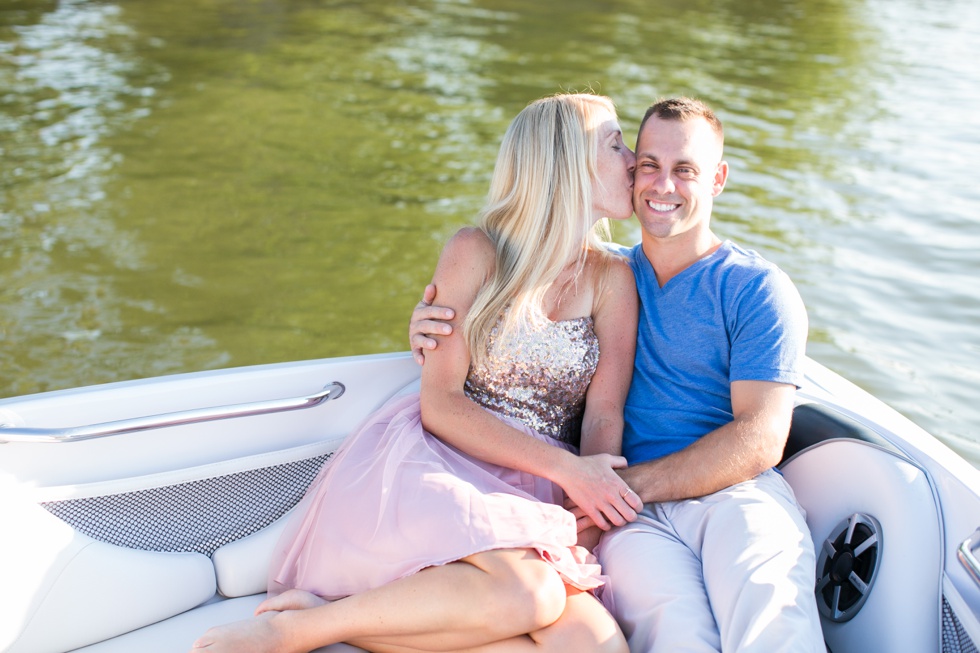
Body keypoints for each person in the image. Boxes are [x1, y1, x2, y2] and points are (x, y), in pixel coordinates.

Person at [191, 92, 645, 653]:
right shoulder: (475, 252)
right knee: (533, 599)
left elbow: (604, 414)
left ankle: (347, 616)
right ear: (563, 162)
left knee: (596, 645)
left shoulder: (613, 279)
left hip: (542, 489)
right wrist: (569, 471)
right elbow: (443, 404)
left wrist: (592, 507)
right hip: (447, 461)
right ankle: (297, 631)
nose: (634, 159)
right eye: (615, 143)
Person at [410, 97, 826, 652]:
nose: (661, 184)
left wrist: (616, 489)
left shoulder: (757, 289)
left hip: (729, 493)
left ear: (718, 179)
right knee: (677, 635)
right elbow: (521, 288)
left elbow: (761, 439)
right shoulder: (606, 272)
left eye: (685, 170)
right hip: (631, 516)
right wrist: (428, 325)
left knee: (771, 618)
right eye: (648, 164)